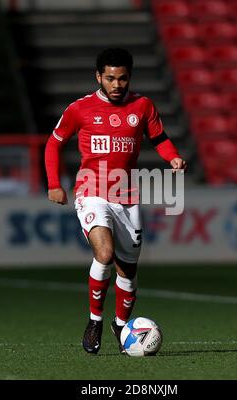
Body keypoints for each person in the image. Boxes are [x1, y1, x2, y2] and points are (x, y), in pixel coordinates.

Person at [45, 47, 187, 355]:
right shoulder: (79, 109)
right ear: (98, 77)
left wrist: (173, 157)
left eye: (122, 78)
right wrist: (55, 184)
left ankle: (121, 326)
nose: (117, 85)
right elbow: (54, 143)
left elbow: (159, 139)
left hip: (127, 197)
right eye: (110, 78)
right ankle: (95, 320)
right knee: (105, 253)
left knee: (129, 272)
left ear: (129, 78)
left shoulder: (143, 105)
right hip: (91, 192)